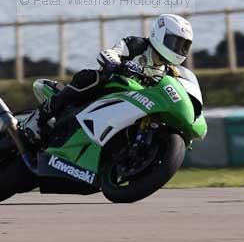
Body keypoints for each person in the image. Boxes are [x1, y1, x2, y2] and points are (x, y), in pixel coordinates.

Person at [22, 13, 194, 144]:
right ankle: (39, 117)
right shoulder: (137, 45)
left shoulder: (171, 72)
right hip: (113, 87)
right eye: (175, 43)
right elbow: (109, 53)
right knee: (90, 77)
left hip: (136, 103)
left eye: (183, 46)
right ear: (160, 34)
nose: (178, 50)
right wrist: (118, 64)